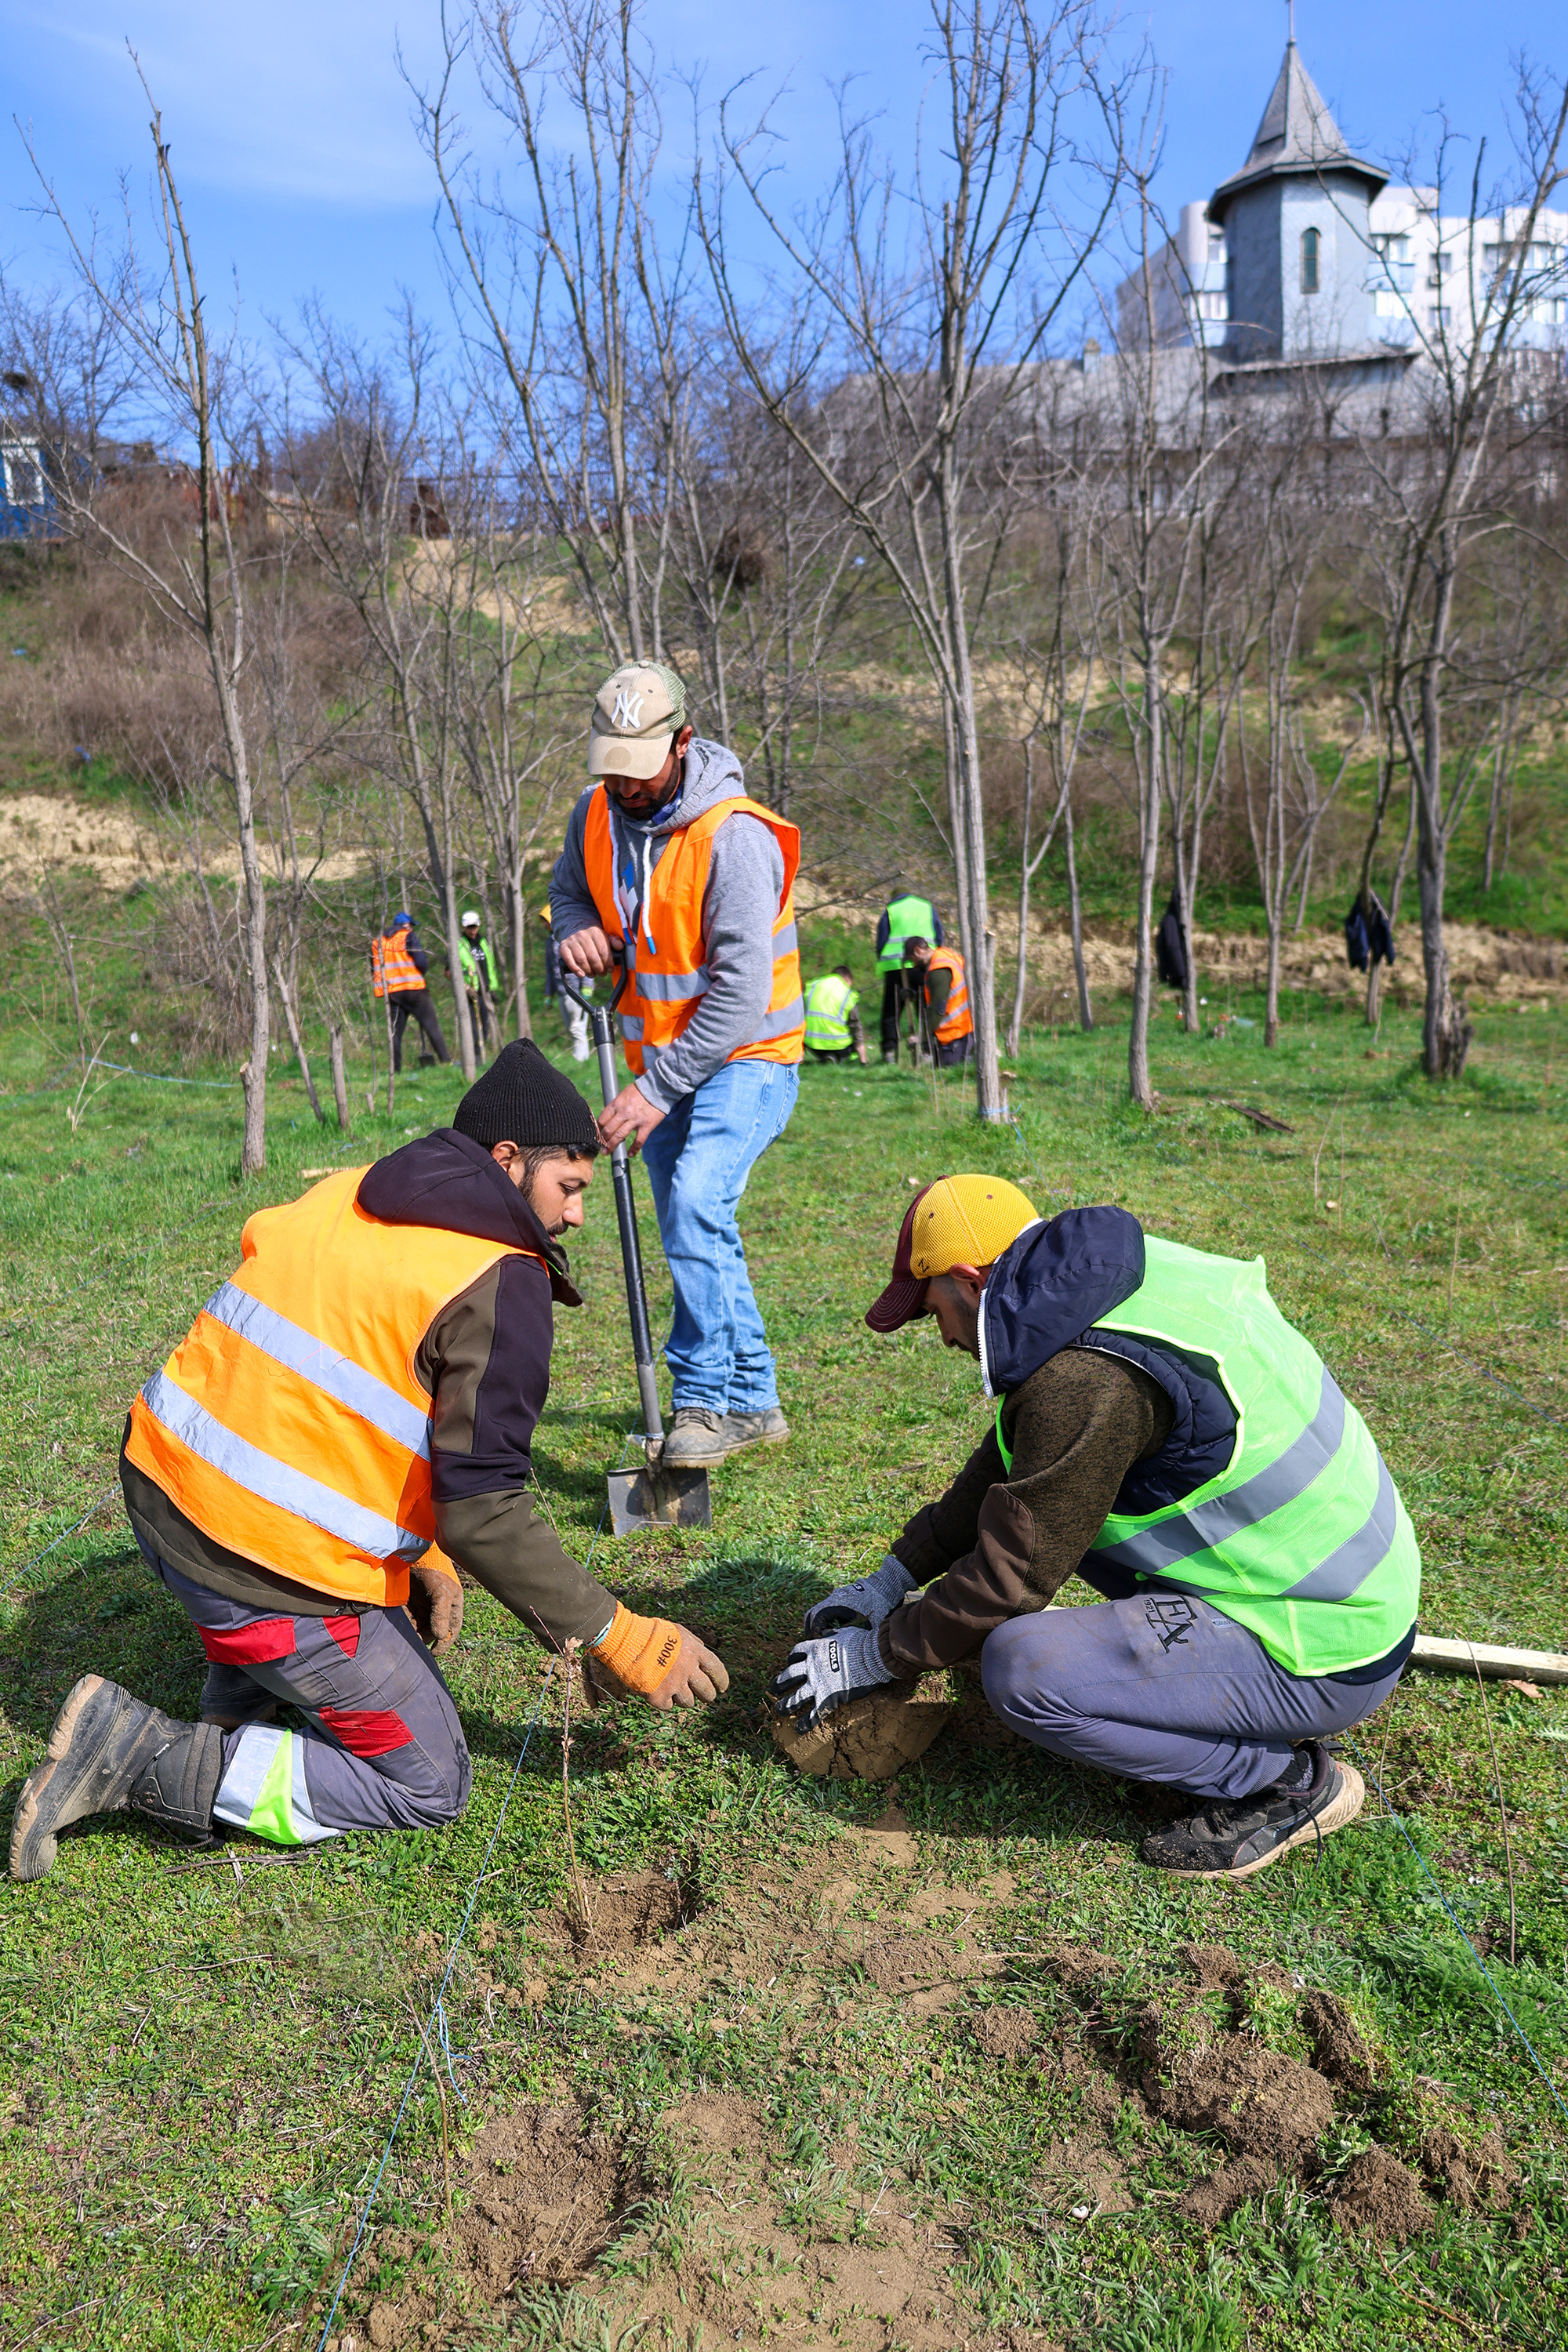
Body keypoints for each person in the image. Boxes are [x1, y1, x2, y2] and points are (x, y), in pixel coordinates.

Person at [9, 1041, 730, 1882]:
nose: (575, 1216)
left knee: (328, 1629)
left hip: (157, 1488)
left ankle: (246, 1681)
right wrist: (615, 1635)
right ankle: (144, 1757)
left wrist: (413, 1549)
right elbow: (485, 1511)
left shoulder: (351, 1187)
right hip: (251, 1559)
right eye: (568, 1188)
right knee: (428, 1779)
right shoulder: (501, 1277)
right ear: (507, 1162)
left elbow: (323, 1381)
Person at [771, 1176, 1420, 1882]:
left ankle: (1282, 1783)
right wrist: (893, 1577)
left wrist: (875, 1657)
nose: (945, 1337)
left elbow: (1010, 1582)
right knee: (1016, 1641)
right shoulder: (1107, 1282)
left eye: (934, 1313)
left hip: (1318, 1641)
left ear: (968, 1279)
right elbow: (1019, 1460)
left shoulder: (1085, 1381)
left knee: (1022, 1669)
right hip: (1339, 1586)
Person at [550, 660, 803, 1472]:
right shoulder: (592, 814)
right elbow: (568, 895)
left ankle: (700, 1399)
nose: (622, 788)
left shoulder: (734, 837)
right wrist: (573, 932)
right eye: (609, 770)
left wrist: (654, 1091)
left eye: (638, 769)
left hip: (749, 1056)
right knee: (696, 1222)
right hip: (659, 1058)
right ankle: (755, 1401)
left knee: (695, 1199)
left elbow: (736, 997)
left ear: (682, 743)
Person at [372, 912, 449, 1071]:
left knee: (396, 1035)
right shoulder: (408, 937)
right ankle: (446, 1061)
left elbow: (374, 968)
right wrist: (420, 972)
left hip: (394, 994)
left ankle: (396, 1070)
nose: (412, 929)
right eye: (411, 926)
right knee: (432, 1026)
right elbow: (421, 962)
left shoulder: (379, 942)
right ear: (405, 926)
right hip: (415, 991)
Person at [875, 884, 942, 1062]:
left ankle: (889, 1051)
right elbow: (939, 935)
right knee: (925, 1007)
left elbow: (881, 941)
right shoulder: (926, 906)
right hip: (925, 964)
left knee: (892, 1011)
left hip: (896, 966)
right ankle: (928, 1050)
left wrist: (882, 958)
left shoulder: (891, 910)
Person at [902, 935, 975, 1066]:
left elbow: (938, 1009)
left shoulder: (938, 970)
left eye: (913, 959)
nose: (913, 964)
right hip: (965, 1028)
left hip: (953, 1034)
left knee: (948, 1072)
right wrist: (915, 995)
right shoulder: (945, 954)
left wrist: (921, 1037)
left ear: (918, 951)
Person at [539, 900, 592, 1063]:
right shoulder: (550, 941)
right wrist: (549, 994)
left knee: (577, 1029)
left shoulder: (570, 935)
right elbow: (550, 970)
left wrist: (587, 987)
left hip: (575, 990)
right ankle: (582, 1060)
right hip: (562, 991)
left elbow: (585, 959)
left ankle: (581, 1062)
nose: (543, 926)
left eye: (545, 922)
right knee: (572, 1029)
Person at [456, 909, 501, 1056]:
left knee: (485, 1028)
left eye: (475, 927)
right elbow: (449, 972)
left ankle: (483, 1055)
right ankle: (475, 1058)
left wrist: (492, 990)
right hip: (470, 994)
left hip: (484, 992)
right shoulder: (460, 944)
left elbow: (489, 966)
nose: (473, 930)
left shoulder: (483, 942)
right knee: (473, 1029)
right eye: (469, 927)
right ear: (464, 927)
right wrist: (466, 987)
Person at [804, 966, 867, 1065]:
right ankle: (835, 1056)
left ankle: (825, 1056)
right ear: (847, 979)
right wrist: (864, 1061)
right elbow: (856, 1027)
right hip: (838, 1045)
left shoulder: (813, 985)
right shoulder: (847, 994)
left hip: (811, 1043)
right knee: (852, 1040)